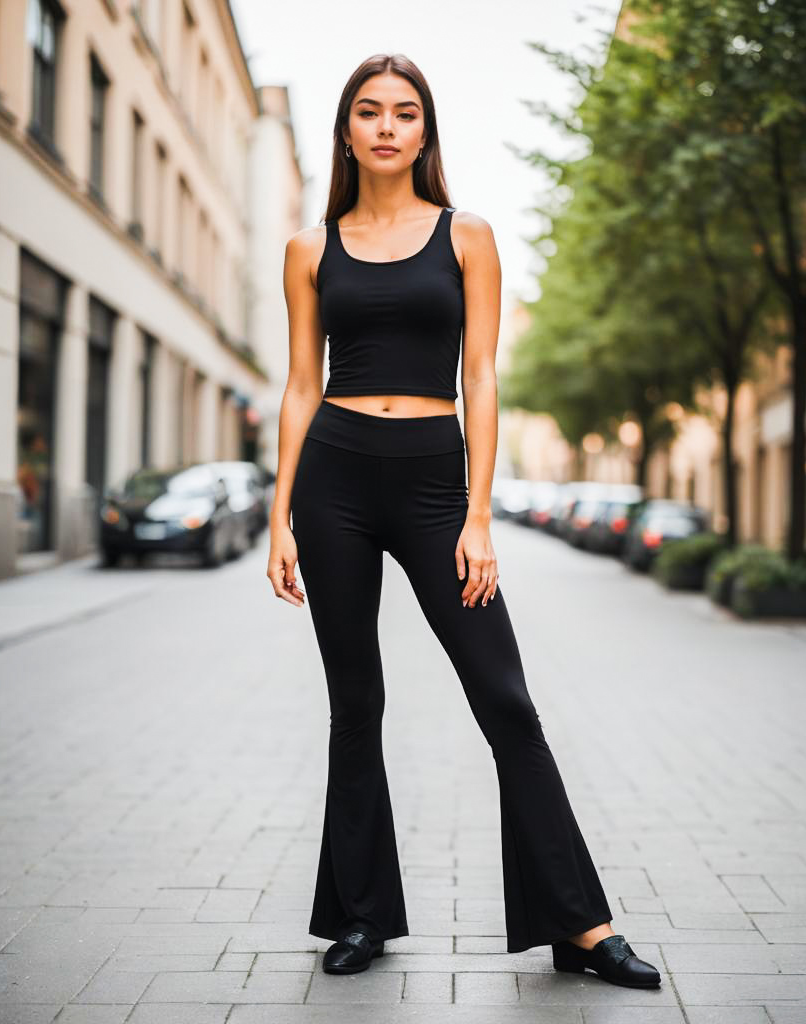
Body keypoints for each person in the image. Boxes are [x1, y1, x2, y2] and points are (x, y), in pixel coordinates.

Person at [266, 52, 661, 990]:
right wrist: (280, 516)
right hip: (336, 480)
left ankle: (581, 924)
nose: (389, 126)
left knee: (507, 702)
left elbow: (482, 378)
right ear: (348, 131)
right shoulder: (309, 250)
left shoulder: (468, 236)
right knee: (355, 706)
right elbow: (298, 386)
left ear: (426, 131)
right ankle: (361, 916)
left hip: (439, 481)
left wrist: (479, 513)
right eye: (371, 112)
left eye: (407, 112)